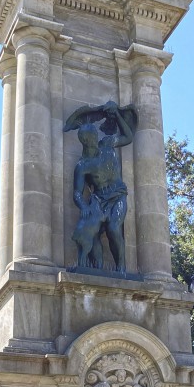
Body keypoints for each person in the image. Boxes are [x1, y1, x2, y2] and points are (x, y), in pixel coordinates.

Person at [64, 101, 137, 274]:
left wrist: (117, 115)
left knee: (113, 228)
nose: (95, 139)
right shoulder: (83, 165)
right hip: (99, 198)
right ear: (85, 141)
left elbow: (128, 137)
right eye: (91, 138)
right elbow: (77, 192)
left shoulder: (108, 144)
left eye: (95, 135)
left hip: (118, 195)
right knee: (92, 232)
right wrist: (83, 206)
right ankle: (96, 267)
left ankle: (121, 268)